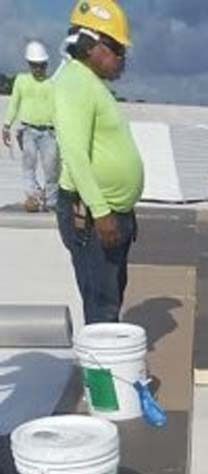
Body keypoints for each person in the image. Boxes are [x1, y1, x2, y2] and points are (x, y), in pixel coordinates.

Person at [54, 0, 144, 324]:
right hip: (92, 216)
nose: (122, 58)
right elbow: (75, 155)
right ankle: (100, 375)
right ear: (90, 45)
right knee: (101, 307)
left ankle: (109, 369)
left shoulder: (91, 84)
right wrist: (102, 212)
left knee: (109, 299)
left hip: (108, 214)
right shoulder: (75, 83)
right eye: (117, 48)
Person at [2, 41, 59, 213]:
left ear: (46, 65)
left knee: (51, 168)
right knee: (28, 165)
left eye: (41, 66)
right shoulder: (21, 81)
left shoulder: (53, 83)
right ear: (29, 64)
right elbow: (14, 103)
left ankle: (51, 201)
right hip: (27, 131)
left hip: (49, 132)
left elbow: (59, 109)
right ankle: (33, 197)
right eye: (34, 66)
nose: (38, 69)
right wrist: (6, 126)